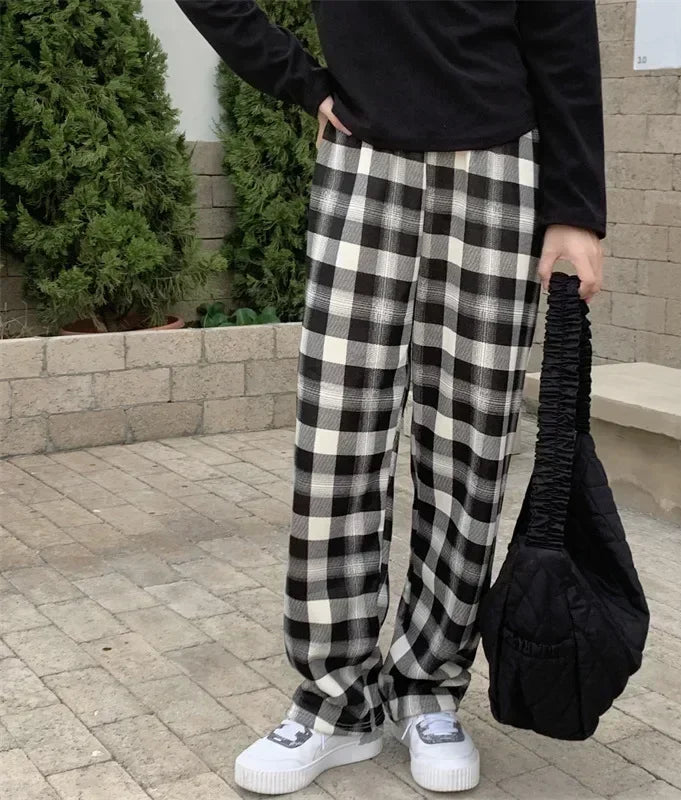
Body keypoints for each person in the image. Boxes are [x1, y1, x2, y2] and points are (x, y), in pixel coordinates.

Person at [176, 0, 605, 794]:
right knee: (337, 442)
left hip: (499, 161)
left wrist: (576, 205)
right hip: (365, 155)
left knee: (470, 446)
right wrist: (301, 81)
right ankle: (335, 699)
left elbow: (561, 28)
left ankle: (429, 687)